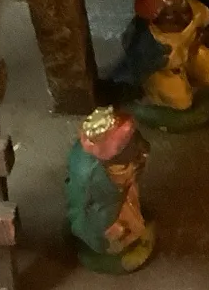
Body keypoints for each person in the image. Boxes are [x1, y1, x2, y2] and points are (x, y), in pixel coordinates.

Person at [65, 108, 155, 273]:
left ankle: (130, 234)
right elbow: (82, 202)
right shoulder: (90, 174)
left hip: (121, 195)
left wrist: (131, 174)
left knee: (132, 217)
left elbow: (141, 150)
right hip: (105, 210)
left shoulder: (129, 144)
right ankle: (116, 246)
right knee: (117, 232)